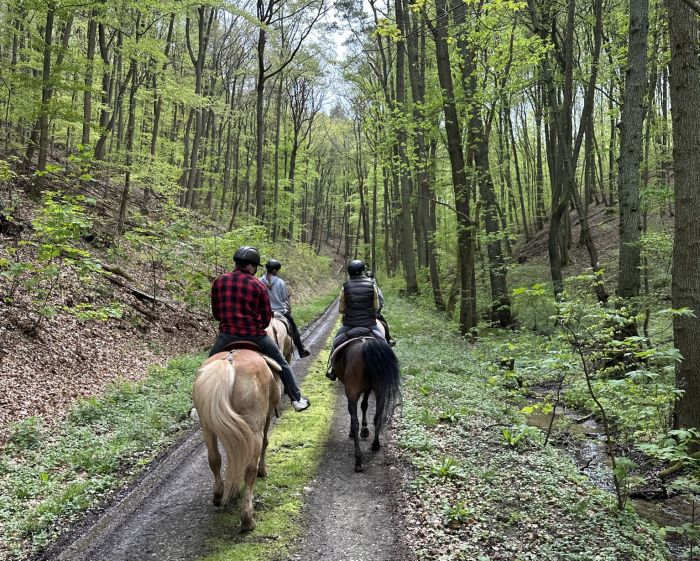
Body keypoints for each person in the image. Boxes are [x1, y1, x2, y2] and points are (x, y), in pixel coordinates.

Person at [209, 246, 310, 412]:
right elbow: (265, 320)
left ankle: (197, 407)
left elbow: (217, 314)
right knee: (282, 364)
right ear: (250, 266)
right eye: (255, 267)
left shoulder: (219, 281)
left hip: (226, 336)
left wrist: (229, 323)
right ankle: (296, 399)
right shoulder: (257, 285)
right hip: (254, 336)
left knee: (207, 366)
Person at [326, 259, 385, 380]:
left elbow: (341, 309)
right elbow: (376, 306)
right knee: (384, 343)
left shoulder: (345, 286)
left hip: (350, 325)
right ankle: (386, 370)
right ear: (362, 271)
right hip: (370, 324)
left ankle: (332, 370)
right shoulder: (372, 284)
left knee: (336, 342)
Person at [259, 258, 311, 358]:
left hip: (263, 313)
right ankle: (300, 349)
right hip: (280, 312)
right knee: (293, 327)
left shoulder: (259, 281)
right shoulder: (280, 282)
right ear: (274, 270)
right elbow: (284, 298)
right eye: (277, 270)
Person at [366, 270, 396, 347]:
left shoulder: (358, 285)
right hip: (373, 315)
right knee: (384, 325)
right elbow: (381, 301)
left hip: (356, 316)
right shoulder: (375, 288)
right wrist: (378, 311)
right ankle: (388, 340)